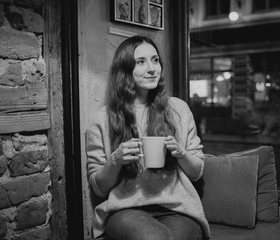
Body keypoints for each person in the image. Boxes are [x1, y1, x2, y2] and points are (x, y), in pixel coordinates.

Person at [86, 36, 210, 240]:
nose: (152, 68)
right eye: (141, 62)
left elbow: (196, 172)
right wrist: (115, 161)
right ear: (125, 69)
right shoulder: (103, 118)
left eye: (155, 60)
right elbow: (100, 188)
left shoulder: (178, 109)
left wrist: (181, 154)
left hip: (178, 208)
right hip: (126, 209)